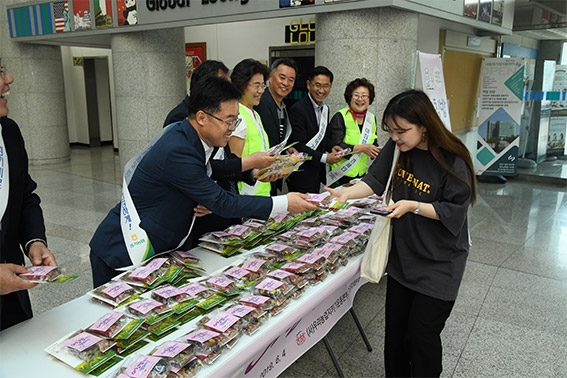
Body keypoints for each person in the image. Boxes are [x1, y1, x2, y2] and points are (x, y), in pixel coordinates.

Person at [89, 77, 317, 287]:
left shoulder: (190, 136)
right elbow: (222, 202)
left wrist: (249, 171)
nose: (233, 129)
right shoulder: (179, 148)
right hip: (121, 251)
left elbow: (208, 170)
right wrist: (284, 203)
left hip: (157, 246)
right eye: (228, 121)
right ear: (201, 117)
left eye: (235, 121)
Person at [327, 89, 477, 377]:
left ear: (424, 125)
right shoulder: (398, 149)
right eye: (391, 131)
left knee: (422, 337)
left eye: (401, 131)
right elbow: (373, 180)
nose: (395, 137)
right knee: (395, 337)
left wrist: (413, 206)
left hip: (439, 264)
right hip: (403, 260)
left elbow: (453, 211)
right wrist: (344, 194)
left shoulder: (452, 158)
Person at [163, 60, 276, 247]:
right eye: (223, 85)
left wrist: (252, 173)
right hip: (198, 215)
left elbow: (218, 163)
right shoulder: (181, 119)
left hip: (219, 205)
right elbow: (190, 172)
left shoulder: (219, 116)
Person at [0, 59, 57, 331]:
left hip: (12, 298)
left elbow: (24, 196)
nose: (9, 79)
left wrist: (35, 241)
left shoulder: (8, 132)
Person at [287, 66, 342, 193]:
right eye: (317, 85)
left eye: (326, 86)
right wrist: (324, 158)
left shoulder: (325, 109)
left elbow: (323, 138)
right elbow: (298, 144)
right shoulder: (298, 109)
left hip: (316, 173)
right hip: (301, 174)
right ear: (308, 85)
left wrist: (332, 146)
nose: (321, 90)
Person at [228, 59, 273, 196]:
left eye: (263, 86)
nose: (260, 91)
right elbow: (233, 163)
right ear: (241, 85)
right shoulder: (238, 115)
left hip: (262, 190)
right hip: (247, 194)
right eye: (256, 86)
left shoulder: (255, 114)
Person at [254, 58, 299, 195]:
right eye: (282, 77)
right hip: (255, 177)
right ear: (270, 77)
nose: (286, 83)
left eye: (291, 80)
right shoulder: (259, 103)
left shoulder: (284, 107)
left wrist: (286, 151)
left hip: (271, 176)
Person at [328, 78, 381, 187]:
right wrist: (361, 148)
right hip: (340, 175)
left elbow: (373, 141)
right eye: (356, 95)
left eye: (364, 96)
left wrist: (377, 151)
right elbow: (335, 145)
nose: (360, 99)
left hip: (361, 175)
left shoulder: (372, 118)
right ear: (349, 97)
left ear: (369, 98)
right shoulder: (340, 116)